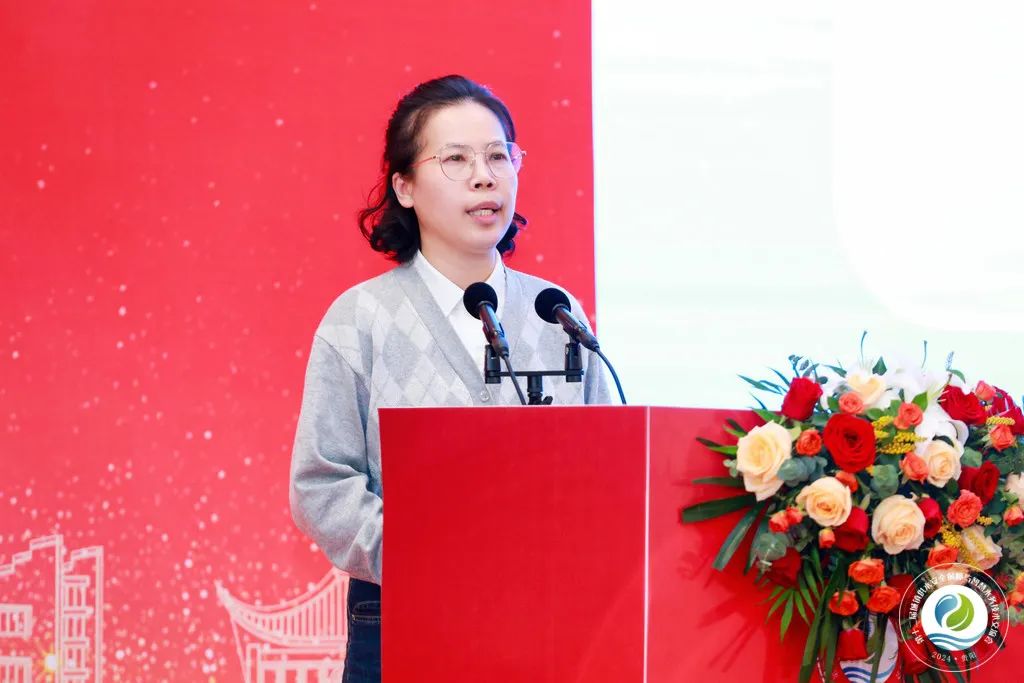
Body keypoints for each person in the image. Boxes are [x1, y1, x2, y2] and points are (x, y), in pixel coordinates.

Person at [288, 74, 610, 683]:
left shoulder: (557, 314)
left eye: (498, 156)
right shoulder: (360, 319)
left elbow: (605, 471)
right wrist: (430, 560)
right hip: (406, 619)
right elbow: (321, 485)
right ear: (404, 187)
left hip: (546, 622)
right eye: (456, 160)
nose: (484, 177)